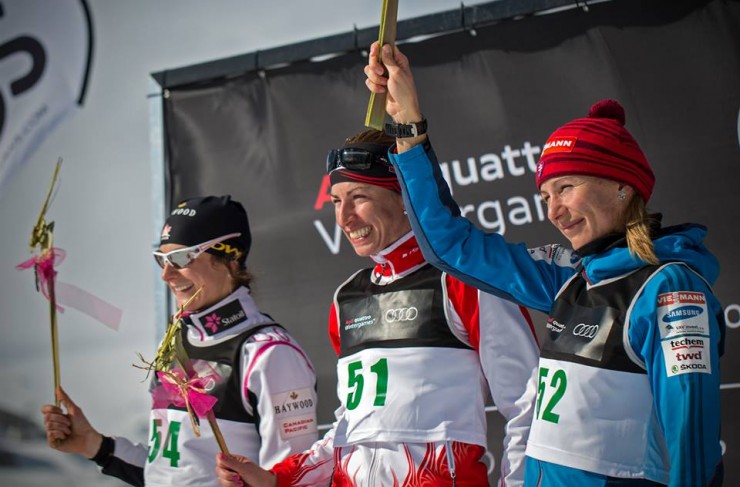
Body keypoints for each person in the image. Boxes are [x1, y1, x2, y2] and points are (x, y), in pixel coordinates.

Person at [363, 41, 725, 487]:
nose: (553, 211)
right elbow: (452, 247)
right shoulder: (570, 279)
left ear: (622, 186)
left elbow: (693, 442)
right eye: (545, 197)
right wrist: (407, 125)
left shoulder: (667, 290)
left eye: (566, 187)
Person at [214, 129, 540, 486]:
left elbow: (529, 407)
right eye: (337, 201)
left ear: (405, 197)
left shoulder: (465, 282)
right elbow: (350, 429)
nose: (345, 218)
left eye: (359, 197)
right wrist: (276, 479)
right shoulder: (348, 296)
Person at [41, 195, 319, 487]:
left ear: (231, 258)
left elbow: (292, 481)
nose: (166, 274)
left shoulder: (269, 354)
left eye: (181, 258)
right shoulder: (178, 340)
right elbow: (170, 474)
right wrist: (95, 446)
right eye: (160, 259)